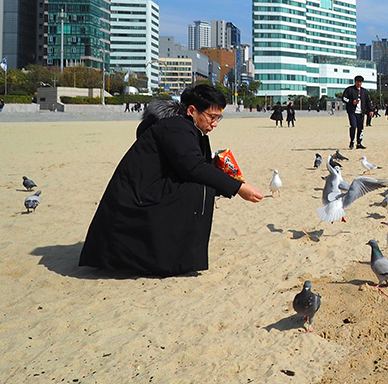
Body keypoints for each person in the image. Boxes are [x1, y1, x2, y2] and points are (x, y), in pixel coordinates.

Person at [78, 85, 264, 276]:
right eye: (212, 117)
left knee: (204, 190)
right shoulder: (175, 127)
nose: (215, 124)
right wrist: (239, 188)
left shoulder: (184, 127)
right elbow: (193, 167)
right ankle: (170, 260)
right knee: (199, 191)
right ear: (191, 110)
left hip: (149, 190)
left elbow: (191, 166)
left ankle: (177, 256)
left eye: (218, 118)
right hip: (136, 198)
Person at [341, 75, 372, 149]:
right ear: (355, 82)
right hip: (352, 112)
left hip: (361, 112)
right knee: (354, 126)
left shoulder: (364, 91)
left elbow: (368, 102)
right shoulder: (349, 89)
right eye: (358, 82)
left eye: (360, 82)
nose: (359, 83)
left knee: (361, 128)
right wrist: (352, 102)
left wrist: (370, 110)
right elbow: (344, 98)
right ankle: (352, 141)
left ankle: (359, 143)